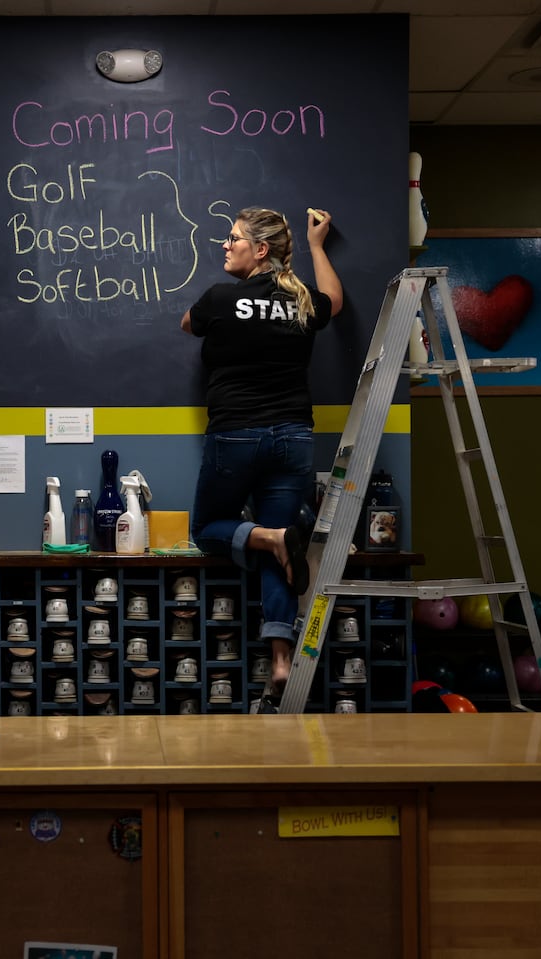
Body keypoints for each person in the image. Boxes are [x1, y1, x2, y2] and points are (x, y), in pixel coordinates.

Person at [181, 206, 344, 691]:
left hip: (235, 434)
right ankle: (281, 660)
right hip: (294, 436)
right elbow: (335, 300)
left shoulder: (218, 298)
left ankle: (271, 538)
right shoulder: (302, 302)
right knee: (281, 540)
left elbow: (187, 323)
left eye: (233, 239)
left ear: (261, 249)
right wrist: (317, 247)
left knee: (208, 529)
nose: (225, 246)